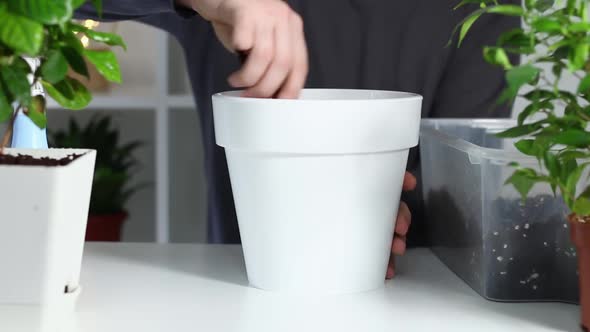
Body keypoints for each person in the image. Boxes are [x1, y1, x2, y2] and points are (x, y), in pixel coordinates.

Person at [77, 0, 519, 278]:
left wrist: (380, 215)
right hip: (241, 293)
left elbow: (464, 186)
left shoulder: (485, 11)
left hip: (412, 296)